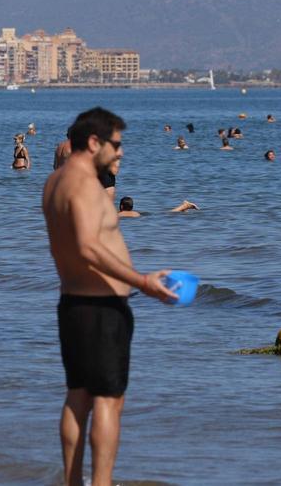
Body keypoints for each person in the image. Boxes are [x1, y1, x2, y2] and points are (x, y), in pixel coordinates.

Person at [42, 107, 176, 486]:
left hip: (73, 303)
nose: (120, 152)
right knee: (107, 401)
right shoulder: (84, 185)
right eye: (116, 144)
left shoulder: (55, 181)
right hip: (100, 307)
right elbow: (87, 246)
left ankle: (72, 482)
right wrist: (143, 281)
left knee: (78, 397)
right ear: (95, 142)